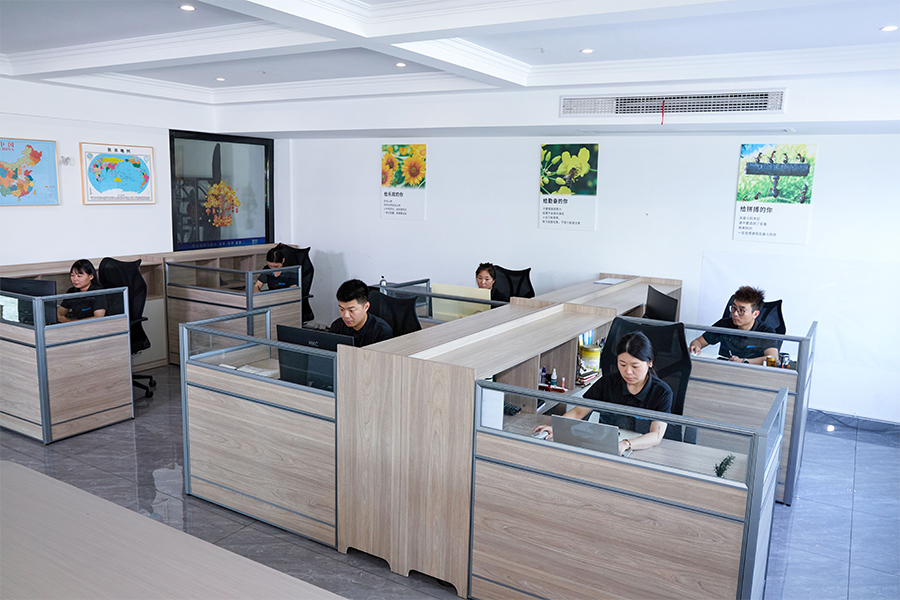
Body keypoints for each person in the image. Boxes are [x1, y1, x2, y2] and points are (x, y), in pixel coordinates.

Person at [533, 332, 672, 455]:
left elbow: (656, 435)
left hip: (642, 450)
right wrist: (556, 427)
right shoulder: (607, 383)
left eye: (635, 366)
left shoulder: (662, 392)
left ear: (649, 363)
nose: (628, 372)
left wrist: (626, 444)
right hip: (606, 446)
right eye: (622, 364)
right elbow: (578, 412)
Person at [689, 285, 778, 365]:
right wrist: (695, 347)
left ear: (755, 314)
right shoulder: (724, 324)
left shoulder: (765, 331)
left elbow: (773, 359)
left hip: (753, 371)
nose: (735, 314)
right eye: (734, 308)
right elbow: (698, 342)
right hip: (725, 368)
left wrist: (743, 361)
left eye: (742, 311)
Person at [329, 279, 393, 347]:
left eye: (351, 310)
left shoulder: (381, 332)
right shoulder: (337, 327)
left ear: (366, 307)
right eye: (342, 309)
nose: (345, 316)